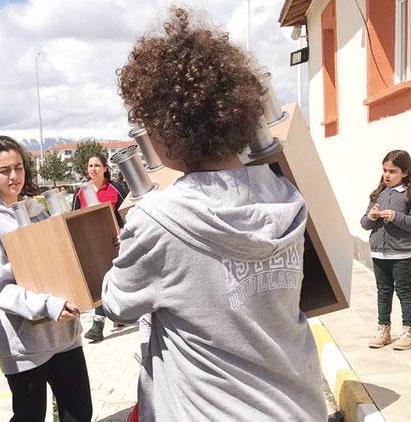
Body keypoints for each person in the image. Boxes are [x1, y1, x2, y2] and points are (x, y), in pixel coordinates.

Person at [101, 8, 326, 421]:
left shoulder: (158, 220)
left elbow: (117, 303)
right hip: (295, 407)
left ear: (166, 130)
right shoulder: (284, 193)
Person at [0, 135, 92, 422]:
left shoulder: (35, 209)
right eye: (4, 170)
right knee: (30, 416)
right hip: (24, 343)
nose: (14, 176)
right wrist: (47, 306)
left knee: (79, 413)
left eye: (18, 167)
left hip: (64, 334)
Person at [360, 150, 411, 350]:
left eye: (393, 171)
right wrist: (371, 216)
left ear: (404, 172)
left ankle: (409, 332)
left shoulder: (410, 194)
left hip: (401, 253)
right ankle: (384, 330)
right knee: (383, 291)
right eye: (385, 170)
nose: (387, 175)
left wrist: (396, 216)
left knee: (403, 290)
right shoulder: (377, 193)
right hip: (379, 252)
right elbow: (364, 223)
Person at [71, 153, 128, 342]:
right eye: (90, 166)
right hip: (90, 246)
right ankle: (109, 317)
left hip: (113, 243)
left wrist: (125, 234)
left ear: (105, 168)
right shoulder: (80, 193)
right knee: (100, 281)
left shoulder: (116, 189)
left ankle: (101, 321)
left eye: (97, 165)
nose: (92, 169)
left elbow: (129, 214)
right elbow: (72, 219)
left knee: (109, 279)